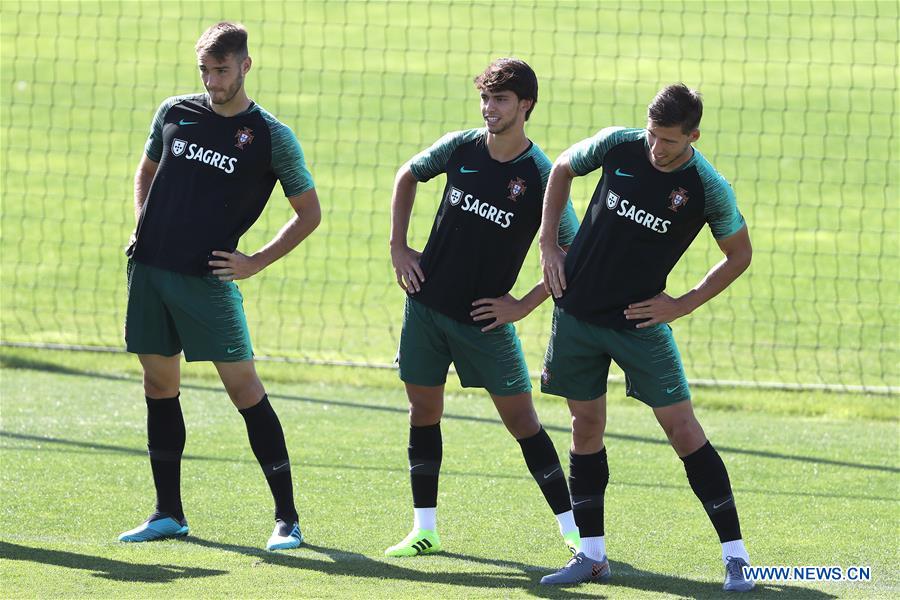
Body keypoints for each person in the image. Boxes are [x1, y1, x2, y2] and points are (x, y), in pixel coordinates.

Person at [538, 84, 755, 591]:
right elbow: (563, 167)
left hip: (641, 325)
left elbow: (739, 255)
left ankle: (737, 558)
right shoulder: (619, 144)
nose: (655, 148)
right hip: (577, 314)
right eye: (652, 135)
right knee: (584, 425)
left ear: (693, 136)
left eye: (668, 141)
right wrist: (549, 241)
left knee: (683, 430)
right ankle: (592, 557)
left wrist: (681, 304)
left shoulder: (706, 187)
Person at [119, 22, 321, 551]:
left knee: (245, 391)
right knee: (159, 388)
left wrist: (255, 261)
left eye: (222, 70)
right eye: (205, 70)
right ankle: (168, 513)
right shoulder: (174, 111)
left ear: (246, 66)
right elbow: (146, 171)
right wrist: (142, 222)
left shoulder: (271, 136)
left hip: (207, 282)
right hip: (150, 271)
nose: (212, 81)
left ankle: (288, 519)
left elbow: (308, 212)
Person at [386, 58, 582, 564]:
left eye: (501, 100)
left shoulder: (541, 177)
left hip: (484, 322)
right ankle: (424, 529)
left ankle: (576, 533)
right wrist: (399, 247)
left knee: (522, 421)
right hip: (425, 309)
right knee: (423, 411)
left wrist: (521, 305)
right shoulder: (461, 147)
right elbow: (407, 175)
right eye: (486, 98)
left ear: (526, 106)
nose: (489, 109)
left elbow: (572, 255)